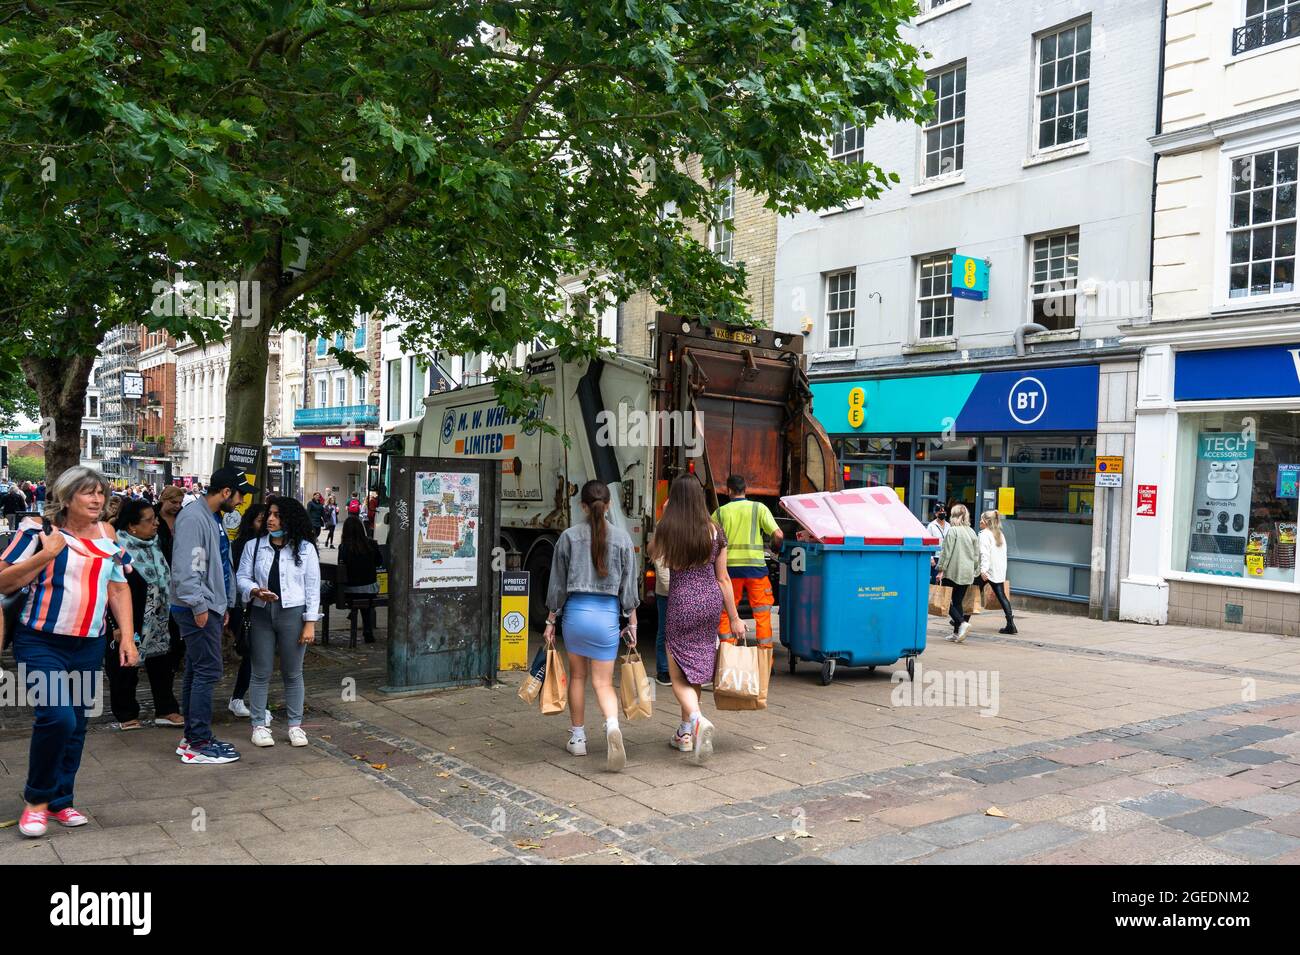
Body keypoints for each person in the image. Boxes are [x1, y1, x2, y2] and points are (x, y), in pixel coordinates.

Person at [0, 466, 139, 838]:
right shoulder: (37, 530)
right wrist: (46, 556)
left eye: (101, 494)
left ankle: (61, 801)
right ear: (66, 497)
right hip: (41, 640)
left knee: (76, 724)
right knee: (58, 718)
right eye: (88, 493)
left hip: (88, 644)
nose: (97, 500)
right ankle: (36, 801)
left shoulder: (108, 534)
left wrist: (127, 637)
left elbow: (119, 588)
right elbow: (4, 580)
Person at [543, 480, 638, 772]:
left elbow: (557, 585)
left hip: (576, 617)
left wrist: (550, 620)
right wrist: (631, 622)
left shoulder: (568, 537)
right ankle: (611, 727)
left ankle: (579, 738)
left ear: (582, 506)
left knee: (578, 677)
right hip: (606, 618)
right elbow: (629, 589)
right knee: (603, 683)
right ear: (608, 504)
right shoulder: (623, 540)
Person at [652, 476, 745, 764]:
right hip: (710, 603)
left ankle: (696, 719)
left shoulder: (668, 529)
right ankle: (685, 733)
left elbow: (656, 557)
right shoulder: (716, 532)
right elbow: (724, 577)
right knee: (695, 669)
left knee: (678, 674)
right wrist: (735, 617)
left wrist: (665, 514)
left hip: (681, 602)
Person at [170, 466, 252, 764]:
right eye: (240, 494)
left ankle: (193, 737)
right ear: (227, 492)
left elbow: (219, 563)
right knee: (208, 671)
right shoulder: (194, 518)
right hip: (197, 607)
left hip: (208, 605)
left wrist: (223, 603)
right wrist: (200, 605)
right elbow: (185, 568)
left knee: (197, 669)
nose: (242, 501)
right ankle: (198, 743)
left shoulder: (211, 518)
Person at [237, 497, 321, 748]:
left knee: (293, 672)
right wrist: (254, 590)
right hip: (262, 613)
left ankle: (295, 726)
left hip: (292, 615)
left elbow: (312, 587)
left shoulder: (305, 549)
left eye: (277, 515)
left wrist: (310, 622)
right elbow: (241, 576)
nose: (271, 519)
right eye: (269, 514)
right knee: (260, 671)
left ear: (290, 519)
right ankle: (259, 725)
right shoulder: (254, 546)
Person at [106, 498, 182, 730]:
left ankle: (166, 709)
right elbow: (110, 587)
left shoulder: (158, 544)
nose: (156, 524)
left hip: (160, 620)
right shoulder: (117, 549)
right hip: (129, 620)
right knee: (124, 668)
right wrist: (115, 625)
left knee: (163, 665)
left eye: (155, 519)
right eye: (149, 521)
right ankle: (126, 713)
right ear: (132, 526)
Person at [713, 474, 783, 650]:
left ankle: (727, 653)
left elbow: (709, 541)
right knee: (762, 613)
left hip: (729, 572)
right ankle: (764, 658)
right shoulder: (758, 508)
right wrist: (776, 548)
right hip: (756, 570)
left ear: (729, 491)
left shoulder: (720, 513)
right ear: (745, 490)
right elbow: (779, 535)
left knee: (726, 613)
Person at [227, 503, 268, 719]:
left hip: (260, 605)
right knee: (252, 652)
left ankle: (246, 698)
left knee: (258, 654)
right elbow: (238, 578)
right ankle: (238, 698)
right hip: (242, 605)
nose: (267, 523)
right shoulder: (244, 546)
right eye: (261, 519)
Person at [936, 503, 980, 644]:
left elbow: (946, 552)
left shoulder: (953, 531)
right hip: (967, 573)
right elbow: (976, 555)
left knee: (946, 601)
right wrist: (975, 570)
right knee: (958, 601)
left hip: (953, 571)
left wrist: (940, 569)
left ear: (953, 515)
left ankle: (961, 623)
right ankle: (956, 633)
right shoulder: (971, 531)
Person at [337, 514, 382, 643]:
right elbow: (379, 562)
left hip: (351, 590)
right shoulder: (372, 544)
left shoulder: (344, 547)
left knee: (357, 595)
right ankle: (368, 631)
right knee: (365, 599)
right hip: (370, 589)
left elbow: (341, 569)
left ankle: (354, 613)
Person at [979, 510, 1017, 635]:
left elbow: (984, 554)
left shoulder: (984, 534)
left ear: (986, 522)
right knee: (1002, 597)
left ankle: (962, 620)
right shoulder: (999, 534)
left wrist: (983, 570)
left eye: (981, 519)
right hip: (998, 571)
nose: (980, 521)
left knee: (972, 591)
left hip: (987, 571)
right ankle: (1011, 624)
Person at [925, 503, 950, 582]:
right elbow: (927, 543)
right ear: (936, 514)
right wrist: (930, 558)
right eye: (940, 512)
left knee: (945, 581)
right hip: (935, 558)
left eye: (944, 512)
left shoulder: (949, 526)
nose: (942, 513)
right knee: (934, 581)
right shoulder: (931, 526)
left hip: (946, 558)